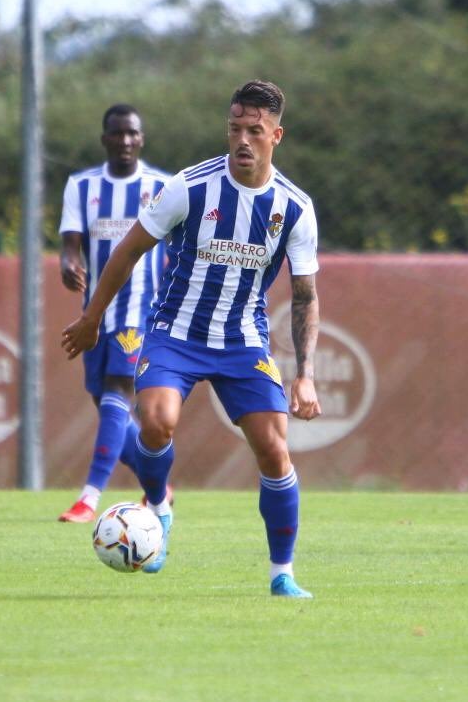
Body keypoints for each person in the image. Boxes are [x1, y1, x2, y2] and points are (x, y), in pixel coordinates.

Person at [61, 80, 321, 598]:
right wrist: (92, 318)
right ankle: (159, 504)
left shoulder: (294, 207)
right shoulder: (189, 186)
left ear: (277, 135)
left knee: (274, 450)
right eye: (234, 129)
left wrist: (306, 376)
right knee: (156, 424)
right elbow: (127, 251)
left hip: (244, 341)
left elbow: (306, 295)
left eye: (254, 130)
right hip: (174, 332)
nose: (242, 140)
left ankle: (282, 574)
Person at [57, 104, 173, 523]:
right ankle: (157, 483)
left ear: (141, 139)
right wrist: (68, 264)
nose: (125, 140)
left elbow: (179, 244)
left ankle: (89, 497)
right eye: (117, 133)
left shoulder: (161, 185)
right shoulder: (81, 186)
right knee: (107, 403)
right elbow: (71, 245)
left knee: (118, 391)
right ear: (105, 138)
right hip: (96, 314)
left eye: (133, 133)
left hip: (142, 310)